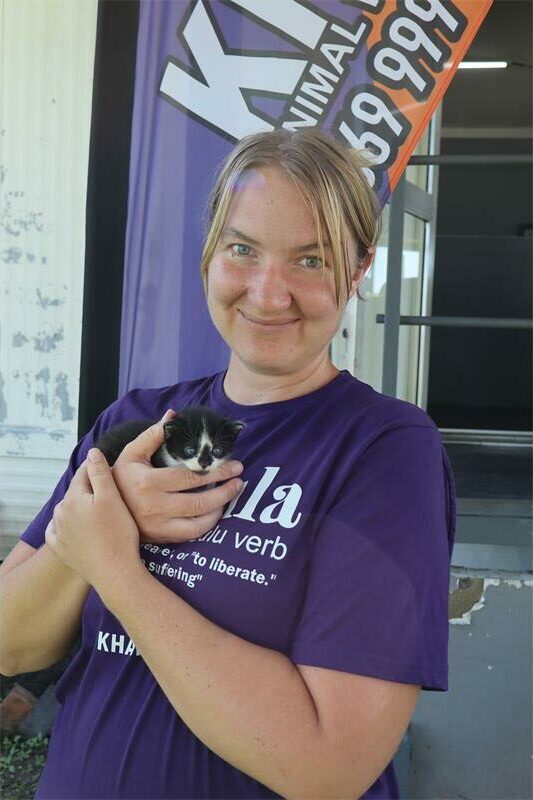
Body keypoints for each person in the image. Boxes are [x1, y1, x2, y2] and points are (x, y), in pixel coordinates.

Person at [1, 128, 456, 800]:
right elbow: (12, 643)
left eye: (311, 260)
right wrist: (86, 538)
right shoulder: (134, 423)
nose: (268, 295)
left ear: (358, 272)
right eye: (242, 249)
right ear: (209, 255)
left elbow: (327, 765)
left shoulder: (382, 449)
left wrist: (116, 567)